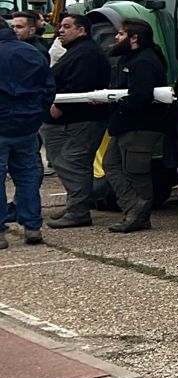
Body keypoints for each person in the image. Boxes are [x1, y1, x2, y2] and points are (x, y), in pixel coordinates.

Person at [43, 14, 111, 229]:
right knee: (65, 162)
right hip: (70, 120)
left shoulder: (87, 54)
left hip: (80, 120)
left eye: (66, 27)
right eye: (60, 27)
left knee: (74, 162)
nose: (60, 31)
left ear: (82, 30)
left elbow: (81, 84)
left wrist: (60, 106)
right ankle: (76, 203)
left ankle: (78, 211)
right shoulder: (74, 52)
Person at [105, 19, 169, 233]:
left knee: (136, 172)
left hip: (139, 126)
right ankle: (133, 207)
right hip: (126, 124)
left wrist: (116, 102)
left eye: (121, 34)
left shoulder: (143, 62)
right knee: (111, 164)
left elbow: (141, 96)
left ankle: (139, 214)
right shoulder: (132, 59)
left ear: (134, 38)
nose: (117, 37)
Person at [0, 19, 55, 248]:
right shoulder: (32, 52)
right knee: (28, 177)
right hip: (27, 124)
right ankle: (32, 227)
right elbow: (49, 87)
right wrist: (37, 114)